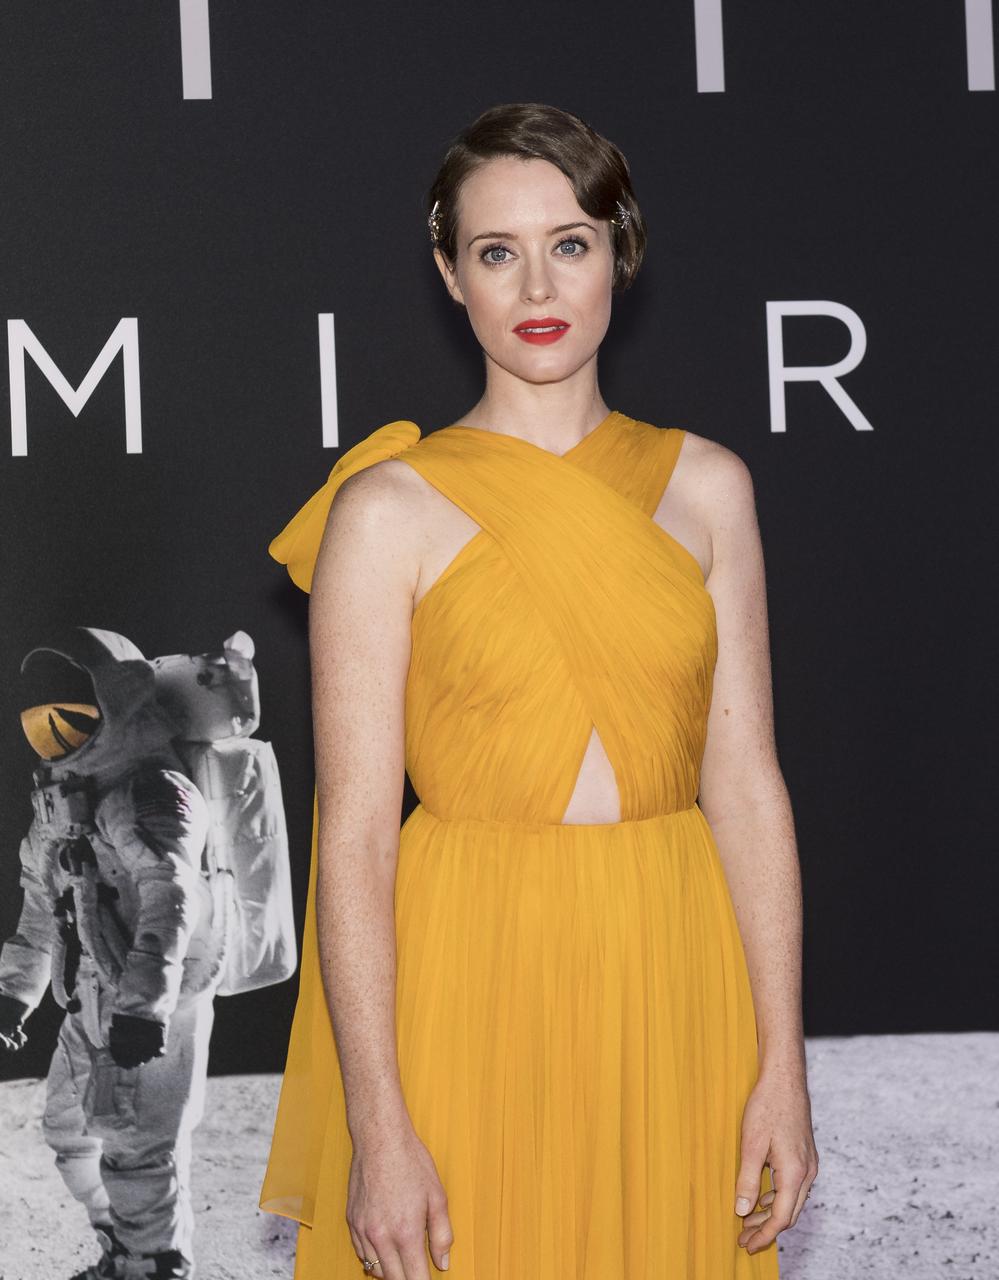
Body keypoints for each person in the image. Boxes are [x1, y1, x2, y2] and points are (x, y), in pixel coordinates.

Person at [258, 101, 819, 1279]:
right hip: (468, 980)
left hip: (675, 977)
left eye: (568, 241)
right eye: (495, 252)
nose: (535, 284)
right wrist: (378, 1121)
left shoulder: (710, 487)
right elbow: (354, 835)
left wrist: (784, 1062)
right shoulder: (387, 509)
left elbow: (748, 785)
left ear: (619, 249)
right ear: (449, 276)